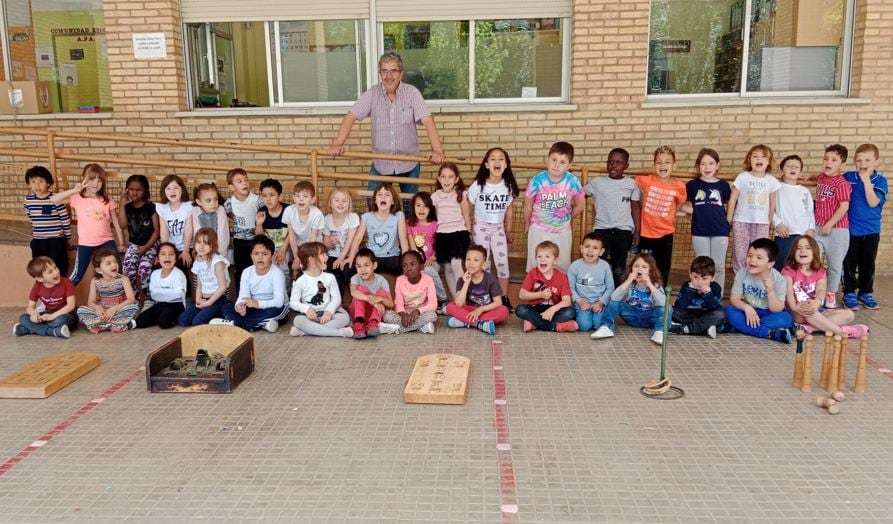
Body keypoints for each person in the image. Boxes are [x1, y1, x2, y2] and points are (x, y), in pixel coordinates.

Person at [328, 51, 445, 198]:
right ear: (380, 73)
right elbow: (351, 116)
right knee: (373, 203)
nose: (389, 76)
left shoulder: (412, 93)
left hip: (409, 163)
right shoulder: (372, 94)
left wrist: (437, 150)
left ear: (401, 73)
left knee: (410, 206)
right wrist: (338, 144)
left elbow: (427, 120)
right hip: (381, 165)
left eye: (393, 71)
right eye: (385, 71)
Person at [51, 164, 125, 285]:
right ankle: (59, 298)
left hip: (106, 241)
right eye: (91, 179)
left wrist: (121, 243)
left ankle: (122, 299)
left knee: (118, 270)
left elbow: (116, 223)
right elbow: (53, 199)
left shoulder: (107, 200)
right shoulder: (77, 198)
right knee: (77, 275)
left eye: (99, 180)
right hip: (86, 244)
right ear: (83, 179)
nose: (96, 183)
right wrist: (74, 190)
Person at [781, 235, 867, 338]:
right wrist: (796, 307)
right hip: (795, 312)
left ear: (815, 252)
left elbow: (821, 290)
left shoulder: (820, 271)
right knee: (810, 313)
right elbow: (789, 294)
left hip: (816, 310)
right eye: (798, 248)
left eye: (808, 248)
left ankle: (810, 328)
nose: (803, 251)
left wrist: (817, 302)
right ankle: (842, 333)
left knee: (849, 315)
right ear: (793, 253)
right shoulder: (788, 271)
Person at [467, 147, 520, 312]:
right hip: (481, 227)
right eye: (493, 159)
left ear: (506, 165)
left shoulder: (508, 186)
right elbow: (468, 206)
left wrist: (508, 230)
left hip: (498, 228)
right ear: (486, 164)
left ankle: (503, 297)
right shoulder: (478, 186)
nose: (497, 161)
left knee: (503, 263)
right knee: (485, 263)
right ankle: (487, 297)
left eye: (501, 159)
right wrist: (468, 229)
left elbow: (509, 210)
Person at [523, 141, 585, 271]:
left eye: (562, 162)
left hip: (561, 231)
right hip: (539, 229)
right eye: (554, 160)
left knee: (561, 265)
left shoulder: (572, 181)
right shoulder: (537, 180)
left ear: (569, 165)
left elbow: (580, 205)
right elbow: (528, 205)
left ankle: (559, 290)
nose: (556, 165)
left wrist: (567, 217)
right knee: (537, 263)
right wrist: (527, 223)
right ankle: (536, 289)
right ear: (547, 159)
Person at [583, 148, 641, 286]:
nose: (614, 165)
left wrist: (637, 231)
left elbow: (635, 207)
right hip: (602, 229)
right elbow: (579, 194)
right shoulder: (597, 182)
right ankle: (599, 289)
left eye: (619, 163)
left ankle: (615, 293)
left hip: (623, 230)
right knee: (599, 261)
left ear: (626, 166)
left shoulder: (631, 184)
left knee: (619, 266)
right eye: (611, 162)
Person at [842, 143, 887, 310]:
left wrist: (866, 180)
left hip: (871, 231)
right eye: (858, 160)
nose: (862, 164)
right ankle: (849, 292)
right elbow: (831, 180)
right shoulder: (848, 177)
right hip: (850, 230)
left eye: (867, 160)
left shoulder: (880, 181)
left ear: (876, 161)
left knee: (868, 264)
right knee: (849, 263)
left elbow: (873, 201)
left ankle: (865, 292)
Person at [213, 234, 289, 332]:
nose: (260, 257)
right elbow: (243, 296)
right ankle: (262, 324)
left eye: (265, 254)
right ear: (251, 256)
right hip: (253, 308)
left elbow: (278, 302)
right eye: (256, 254)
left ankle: (236, 324)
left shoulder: (277, 273)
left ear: (272, 256)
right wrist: (240, 306)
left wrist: (258, 304)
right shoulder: (247, 272)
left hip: (272, 307)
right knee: (227, 307)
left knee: (278, 311)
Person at [723, 238, 793, 343]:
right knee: (729, 310)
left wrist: (770, 292)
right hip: (748, 312)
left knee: (786, 318)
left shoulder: (779, 279)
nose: (752, 260)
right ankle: (771, 333)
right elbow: (734, 299)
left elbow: (777, 309)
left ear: (770, 263)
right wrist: (746, 307)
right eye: (750, 255)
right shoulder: (742, 273)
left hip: (769, 313)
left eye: (759, 258)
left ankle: (741, 327)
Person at [635, 146, 687, 286]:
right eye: (659, 162)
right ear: (654, 165)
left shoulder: (679, 186)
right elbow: (632, 187)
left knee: (663, 268)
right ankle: (642, 294)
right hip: (646, 234)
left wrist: (671, 214)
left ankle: (660, 295)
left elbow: (680, 203)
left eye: (667, 162)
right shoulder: (644, 180)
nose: (663, 165)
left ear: (674, 165)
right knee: (644, 267)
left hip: (666, 234)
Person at [727, 145, 780, 275]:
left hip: (761, 223)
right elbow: (733, 198)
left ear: (769, 162)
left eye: (763, 156)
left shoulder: (771, 181)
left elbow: (773, 202)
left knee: (760, 252)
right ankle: (739, 278)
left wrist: (769, 219)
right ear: (749, 160)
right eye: (755, 156)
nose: (758, 159)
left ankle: (756, 279)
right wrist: (729, 217)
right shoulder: (743, 177)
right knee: (740, 252)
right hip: (741, 221)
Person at [685, 148, 731, 292]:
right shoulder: (692, 185)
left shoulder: (723, 185)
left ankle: (717, 296)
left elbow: (731, 202)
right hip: (700, 231)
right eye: (703, 164)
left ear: (717, 165)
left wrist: (728, 220)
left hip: (720, 230)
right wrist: (693, 211)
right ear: (698, 165)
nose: (707, 167)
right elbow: (679, 202)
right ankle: (702, 295)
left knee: (718, 266)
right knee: (702, 266)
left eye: (711, 163)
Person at [594, 253, 666, 344]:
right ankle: (606, 327)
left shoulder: (655, 285)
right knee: (615, 302)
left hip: (649, 318)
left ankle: (660, 332)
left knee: (668, 308)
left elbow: (664, 304)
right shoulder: (630, 283)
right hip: (631, 316)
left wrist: (650, 285)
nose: (639, 269)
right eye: (636, 266)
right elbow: (614, 297)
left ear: (650, 270)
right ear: (631, 268)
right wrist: (628, 281)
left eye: (644, 267)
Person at [813, 144, 852, 309]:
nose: (828, 162)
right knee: (813, 261)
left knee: (835, 265)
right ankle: (814, 292)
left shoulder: (841, 183)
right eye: (826, 158)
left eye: (834, 160)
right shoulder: (821, 178)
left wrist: (829, 224)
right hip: (818, 227)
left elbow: (844, 207)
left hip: (837, 230)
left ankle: (830, 293)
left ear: (842, 164)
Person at [288, 242, 353, 338]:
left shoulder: (330, 277)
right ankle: (338, 333)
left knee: (344, 318)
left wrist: (329, 311)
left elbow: (337, 299)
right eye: (322, 254)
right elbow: (293, 302)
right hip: (311, 316)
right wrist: (306, 309)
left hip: (330, 314)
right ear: (311, 259)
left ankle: (306, 332)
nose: (327, 257)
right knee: (297, 320)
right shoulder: (300, 281)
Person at [445, 245, 510, 335]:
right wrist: (466, 283)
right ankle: (480, 324)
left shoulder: (491, 279)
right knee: (450, 307)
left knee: (504, 311)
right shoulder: (462, 280)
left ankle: (464, 322)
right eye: (468, 259)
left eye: (476, 260)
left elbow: (498, 302)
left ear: (483, 264)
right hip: (469, 310)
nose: (471, 263)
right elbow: (459, 304)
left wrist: (480, 310)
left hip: (485, 310)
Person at [515, 240, 577, 333]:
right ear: (536, 258)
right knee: (521, 310)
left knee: (570, 312)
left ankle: (534, 323)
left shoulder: (562, 276)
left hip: (554, 309)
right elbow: (522, 295)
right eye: (539, 256)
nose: (542, 259)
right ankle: (556, 327)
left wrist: (552, 309)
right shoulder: (532, 273)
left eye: (547, 256)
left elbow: (567, 301)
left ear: (555, 260)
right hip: (536, 308)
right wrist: (540, 295)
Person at [348, 184, 408, 276]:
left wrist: (406, 260)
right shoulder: (367, 217)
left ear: (392, 201)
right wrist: (351, 257)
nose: (383, 197)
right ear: (375, 200)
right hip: (372, 257)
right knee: (349, 269)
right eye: (379, 194)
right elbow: (358, 238)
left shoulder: (399, 216)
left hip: (392, 257)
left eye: (387, 195)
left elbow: (403, 238)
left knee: (408, 271)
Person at [431, 162, 472, 299]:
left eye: (450, 177)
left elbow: (466, 215)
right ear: (439, 179)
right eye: (443, 176)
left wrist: (469, 233)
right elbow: (436, 218)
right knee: (447, 268)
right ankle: (456, 299)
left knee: (456, 264)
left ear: (456, 179)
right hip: (442, 235)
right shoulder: (436, 197)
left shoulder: (460, 194)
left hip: (458, 233)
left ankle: (463, 296)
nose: (446, 180)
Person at [76, 249, 139, 333]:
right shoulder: (95, 281)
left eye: (115, 261)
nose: (114, 264)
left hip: (119, 309)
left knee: (133, 308)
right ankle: (115, 324)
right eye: (108, 263)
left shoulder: (123, 279)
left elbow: (131, 300)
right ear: (99, 270)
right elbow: (91, 302)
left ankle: (101, 324)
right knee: (81, 310)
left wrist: (114, 309)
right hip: (103, 310)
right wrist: (98, 309)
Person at [118, 174, 159, 300]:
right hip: (133, 244)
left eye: (139, 190)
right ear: (127, 190)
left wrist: (146, 247)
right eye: (131, 189)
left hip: (150, 244)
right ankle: (134, 298)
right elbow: (122, 225)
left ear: (145, 191)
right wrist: (122, 203)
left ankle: (148, 299)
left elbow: (157, 231)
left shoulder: (151, 207)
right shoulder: (128, 207)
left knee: (144, 270)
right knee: (127, 271)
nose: (134, 193)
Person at [24, 166, 71, 277]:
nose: (37, 185)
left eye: (41, 181)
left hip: (56, 240)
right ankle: (43, 291)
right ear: (29, 184)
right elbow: (30, 216)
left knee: (59, 266)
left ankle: (60, 290)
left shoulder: (56, 198)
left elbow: (65, 219)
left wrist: (67, 238)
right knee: (39, 268)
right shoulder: (28, 200)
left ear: (48, 183)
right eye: (33, 182)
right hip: (38, 241)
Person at [13, 256, 77, 338]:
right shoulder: (37, 287)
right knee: (23, 318)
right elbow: (30, 307)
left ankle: (29, 329)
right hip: (48, 314)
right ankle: (53, 331)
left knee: (59, 321)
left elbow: (71, 306)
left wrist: (51, 317)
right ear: (40, 279)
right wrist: (34, 314)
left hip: (67, 315)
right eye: (50, 272)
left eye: (55, 267)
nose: (56, 272)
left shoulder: (67, 283)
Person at [178, 227, 230, 326]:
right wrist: (198, 299)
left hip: (218, 299)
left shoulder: (217, 261)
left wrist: (209, 303)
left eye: (206, 243)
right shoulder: (198, 260)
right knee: (183, 320)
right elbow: (199, 285)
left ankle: (222, 313)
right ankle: (211, 312)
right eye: (198, 242)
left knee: (198, 322)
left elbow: (222, 287)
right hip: (204, 298)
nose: (201, 246)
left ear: (213, 245)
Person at [404, 191, 448, 309]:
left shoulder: (435, 225)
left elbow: (440, 245)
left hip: (434, 260)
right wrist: (418, 263)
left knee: (428, 271)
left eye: (425, 206)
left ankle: (443, 299)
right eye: (418, 205)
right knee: (417, 272)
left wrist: (432, 258)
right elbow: (412, 247)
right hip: (418, 261)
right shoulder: (410, 224)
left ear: (431, 208)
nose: (421, 209)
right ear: (413, 207)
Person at [772, 155, 815, 271]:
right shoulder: (776, 189)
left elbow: (810, 212)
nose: (793, 168)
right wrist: (778, 224)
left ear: (800, 172)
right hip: (784, 234)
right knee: (781, 266)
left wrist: (811, 229)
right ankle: (779, 289)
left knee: (800, 267)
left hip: (803, 235)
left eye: (796, 167)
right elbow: (769, 209)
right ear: (781, 171)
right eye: (789, 166)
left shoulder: (805, 191)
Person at [131, 242, 187, 329]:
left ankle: (167, 318)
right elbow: (153, 294)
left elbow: (178, 294)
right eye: (163, 254)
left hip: (176, 304)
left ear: (176, 259)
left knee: (164, 322)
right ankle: (133, 323)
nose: (167, 257)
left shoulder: (179, 274)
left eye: (171, 254)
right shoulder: (155, 274)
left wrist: (160, 292)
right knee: (140, 321)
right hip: (160, 304)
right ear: (157, 259)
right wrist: (168, 293)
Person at [381, 251, 438, 334]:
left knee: (433, 315)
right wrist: (403, 315)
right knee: (387, 315)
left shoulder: (428, 280)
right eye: (405, 265)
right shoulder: (400, 280)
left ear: (421, 266)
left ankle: (396, 329)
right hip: (404, 315)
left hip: (420, 314)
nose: (408, 268)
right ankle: (420, 327)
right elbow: (398, 304)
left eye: (413, 264)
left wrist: (417, 311)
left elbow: (433, 304)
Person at [567, 232, 614, 333]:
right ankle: (580, 316)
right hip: (581, 302)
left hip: (599, 302)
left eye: (595, 248)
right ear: (581, 248)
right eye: (587, 246)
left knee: (598, 325)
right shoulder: (575, 266)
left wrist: (601, 303)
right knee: (584, 326)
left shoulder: (605, 266)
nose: (590, 250)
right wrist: (580, 301)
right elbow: (570, 287)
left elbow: (610, 288)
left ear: (601, 252)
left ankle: (599, 316)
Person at [669, 256, 725, 338]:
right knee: (669, 309)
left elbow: (716, 308)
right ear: (690, 274)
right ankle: (704, 328)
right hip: (689, 315)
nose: (699, 282)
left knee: (720, 315)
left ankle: (685, 329)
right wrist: (690, 290)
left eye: (704, 279)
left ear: (712, 278)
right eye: (695, 277)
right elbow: (679, 306)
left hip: (706, 316)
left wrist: (708, 294)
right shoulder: (686, 286)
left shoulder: (715, 287)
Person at [224, 168, 260, 288]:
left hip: (254, 240)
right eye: (239, 181)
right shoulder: (229, 203)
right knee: (241, 269)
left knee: (256, 268)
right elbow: (229, 214)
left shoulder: (257, 201)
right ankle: (241, 297)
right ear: (231, 187)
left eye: (246, 180)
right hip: (239, 241)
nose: (244, 183)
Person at [321, 186, 360, 297]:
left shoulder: (352, 218)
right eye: (337, 200)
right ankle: (336, 301)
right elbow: (325, 246)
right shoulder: (327, 219)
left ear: (349, 204)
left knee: (347, 270)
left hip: (348, 255)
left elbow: (349, 241)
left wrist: (341, 259)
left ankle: (355, 298)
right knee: (332, 274)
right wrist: (330, 243)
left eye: (344, 201)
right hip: (332, 255)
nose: (340, 203)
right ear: (330, 203)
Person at [348, 248, 394, 339]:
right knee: (360, 289)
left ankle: (373, 324)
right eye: (359, 266)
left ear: (374, 265)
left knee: (382, 293)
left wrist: (380, 299)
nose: (363, 269)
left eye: (366, 265)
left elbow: (391, 304)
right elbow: (353, 292)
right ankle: (359, 324)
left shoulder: (381, 280)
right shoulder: (355, 278)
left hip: (374, 313)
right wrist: (373, 301)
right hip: (358, 313)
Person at [285, 180, 324, 275]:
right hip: (297, 246)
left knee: (310, 268)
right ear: (294, 198)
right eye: (298, 196)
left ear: (313, 199)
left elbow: (312, 239)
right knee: (295, 269)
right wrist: (296, 257)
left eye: (305, 196)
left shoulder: (317, 214)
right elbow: (291, 235)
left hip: (314, 246)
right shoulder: (289, 211)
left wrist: (305, 258)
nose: (301, 199)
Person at [255, 178, 292, 280]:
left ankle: (286, 290)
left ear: (279, 196)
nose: (268, 199)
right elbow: (260, 237)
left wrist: (282, 251)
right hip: (269, 247)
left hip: (286, 245)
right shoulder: (262, 211)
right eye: (264, 196)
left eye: (272, 195)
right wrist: (259, 224)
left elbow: (291, 234)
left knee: (282, 263)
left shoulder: (288, 210)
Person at [156, 174, 193, 267]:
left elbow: (189, 230)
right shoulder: (162, 209)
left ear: (182, 190)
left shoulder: (188, 206)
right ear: (164, 192)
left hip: (186, 247)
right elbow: (164, 233)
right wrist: (164, 253)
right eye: (168, 188)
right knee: (159, 267)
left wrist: (186, 251)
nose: (172, 191)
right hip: (170, 248)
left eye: (176, 187)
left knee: (182, 265)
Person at [191, 182, 229, 258]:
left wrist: (220, 255)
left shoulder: (220, 210)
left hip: (219, 251)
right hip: (201, 251)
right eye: (208, 200)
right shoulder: (195, 211)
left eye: (215, 199)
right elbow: (197, 233)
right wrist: (201, 253)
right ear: (199, 202)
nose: (213, 203)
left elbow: (223, 235)